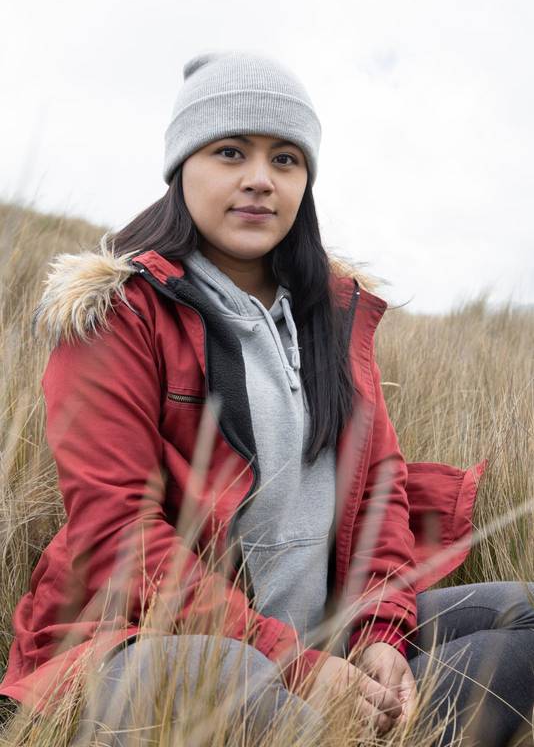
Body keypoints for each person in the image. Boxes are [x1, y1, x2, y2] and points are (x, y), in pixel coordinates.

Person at [1, 49, 534, 746]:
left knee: (523, 618)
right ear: (182, 166)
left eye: (285, 159)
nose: (260, 179)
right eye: (230, 152)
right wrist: (293, 665)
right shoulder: (121, 314)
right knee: (236, 677)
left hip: (320, 641)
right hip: (145, 642)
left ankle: (364, 725)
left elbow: (381, 491)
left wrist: (379, 632)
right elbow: (118, 534)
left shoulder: (335, 316)